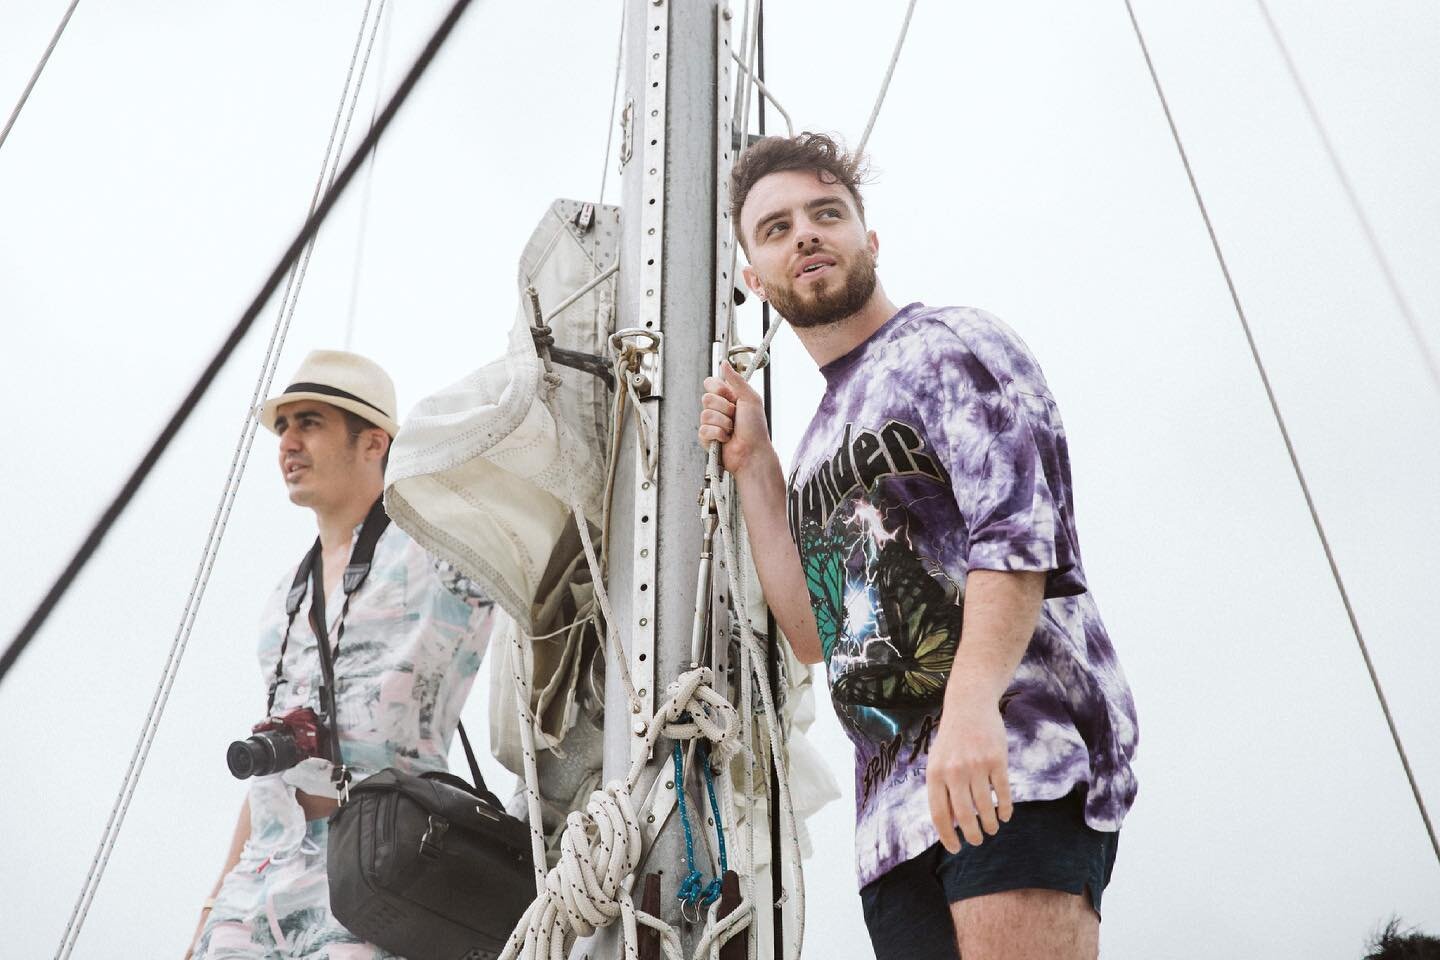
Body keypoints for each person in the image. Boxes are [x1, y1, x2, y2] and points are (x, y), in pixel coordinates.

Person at [697, 133, 1139, 960]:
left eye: (827, 214)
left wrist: (972, 710)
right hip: (892, 824)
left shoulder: (949, 345)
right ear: (754, 279)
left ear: (870, 238)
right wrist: (755, 463)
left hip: (1012, 757)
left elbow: (1017, 537)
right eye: (777, 227)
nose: (806, 235)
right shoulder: (823, 433)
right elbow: (813, 634)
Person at [188, 350, 495, 959]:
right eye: (283, 427)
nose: (288, 443)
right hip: (259, 883)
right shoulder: (285, 597)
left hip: (370, 877)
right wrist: (211, 909)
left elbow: (540, 553)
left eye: (310, 422)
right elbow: (274, 764)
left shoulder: (436, 551)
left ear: (373, 443)